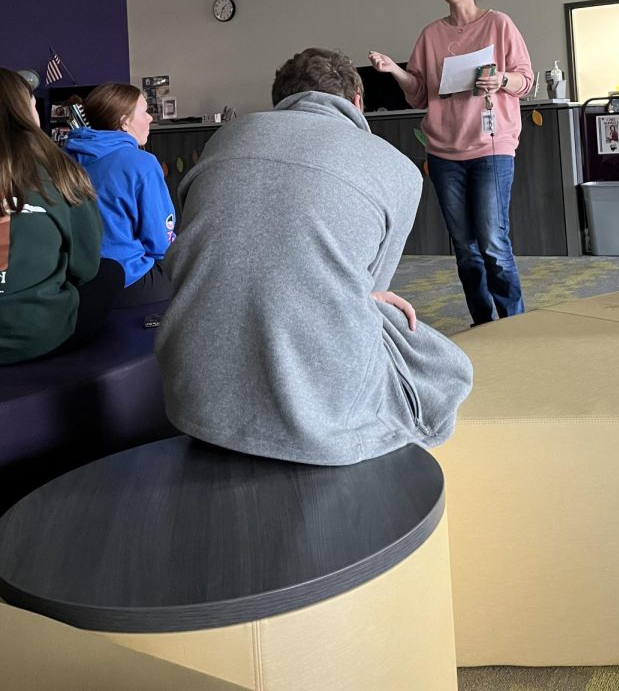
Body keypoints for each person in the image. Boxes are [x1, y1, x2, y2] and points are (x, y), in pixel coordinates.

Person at [155, 47, 473, 465]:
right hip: (319, 426)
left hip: (190, 401)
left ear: (281, 101)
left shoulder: (224, 138)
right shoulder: (398, 168)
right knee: (446, 366)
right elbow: (374, 293)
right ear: (357, 103)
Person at [370, 0, 534, 326]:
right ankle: (483, 323)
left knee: (493, 242)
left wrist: (501, 80)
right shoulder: (431, 35)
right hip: (445, 153)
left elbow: (525, 79)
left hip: (492, 146)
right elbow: (418, 93)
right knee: (465, 248)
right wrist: (395, 70)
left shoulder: (499, 24)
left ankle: (516, 323)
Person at [0, 68, 105, 364]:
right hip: (37, 335)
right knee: (111, 272)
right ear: (25, 112)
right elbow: (85, 267)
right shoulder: (60, 171)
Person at [66, 84, 175, 305]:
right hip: (128, 280)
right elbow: (161, 242)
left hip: (76, 283)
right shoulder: (141, 163)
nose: (150, 119)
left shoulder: (64, 157)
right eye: (144, 112)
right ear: (125, 121)